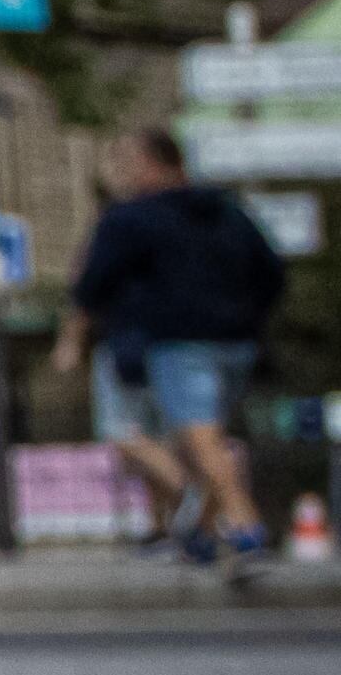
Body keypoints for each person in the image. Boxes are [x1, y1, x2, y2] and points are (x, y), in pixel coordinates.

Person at [57, 124, 284, 578]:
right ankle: (198, 534)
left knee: (200, 440)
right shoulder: (227, 210)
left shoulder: (131, 218)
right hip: (236, 341)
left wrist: (72, 338)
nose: (122, 173)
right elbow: (271, 272)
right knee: (200, 440)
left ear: (153, 163)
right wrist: (245, 317)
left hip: (176, 343)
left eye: (128, 163)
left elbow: (91, 284)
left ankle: (244, 527)